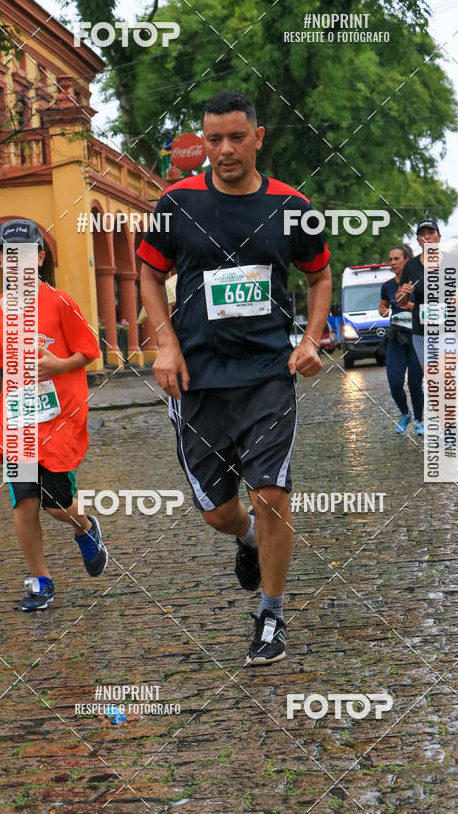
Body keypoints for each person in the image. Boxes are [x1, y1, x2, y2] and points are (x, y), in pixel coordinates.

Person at [138, 90, 332, 666]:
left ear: (258, 138)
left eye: (236, 137)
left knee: (271, 493)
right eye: (213, 139)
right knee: (219, 513)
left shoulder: (294, 206)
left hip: (268, 374)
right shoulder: (177, 203)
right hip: (196, 378)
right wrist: (165, 344)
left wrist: (311, 340)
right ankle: (244, 539)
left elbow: (319, 276)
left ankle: (271, 615)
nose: (224, 150)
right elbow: (147, 274)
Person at [0, 219, 108, 611]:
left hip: (59, 419)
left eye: (28, 254)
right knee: (24, 502)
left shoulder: (60, 302)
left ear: (40, 257)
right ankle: (40, 580)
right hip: (18, 420)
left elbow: (89, 352)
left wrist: (57, 365)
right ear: (1, 261)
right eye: (10, 255)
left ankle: (86, 528)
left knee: (55, 504)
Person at [396, 219, 458, 445]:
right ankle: (448, 427)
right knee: (433, 381)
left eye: (431, 233)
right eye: (422, 234)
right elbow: (401, 302)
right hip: (423, 332)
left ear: (439, 237)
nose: (427, 237)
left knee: (445, 375)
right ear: (419, 240)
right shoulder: (410, 267)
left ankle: (450, 429)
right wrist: (403, 292)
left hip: (449, 326)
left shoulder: (451, 261)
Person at [379, 245, 424, 435]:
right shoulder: (387, 286)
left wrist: (408, 305)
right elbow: (382, 307)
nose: (392, 263)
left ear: (407, 260)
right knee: (395, 382)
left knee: (415, 382)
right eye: (390, 259)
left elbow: (429, 307)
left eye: (396, 259)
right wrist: (383, 311)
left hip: (416, 336)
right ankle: (404, 414)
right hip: (396, 337)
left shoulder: (420, 282)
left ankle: (419, 421)